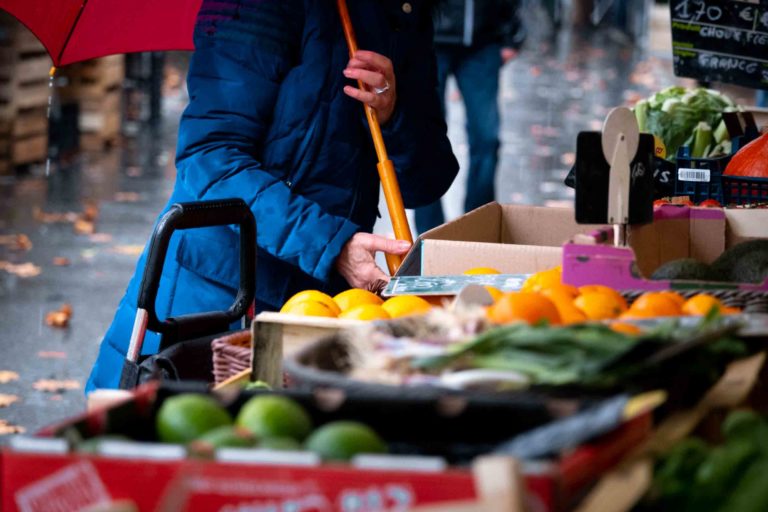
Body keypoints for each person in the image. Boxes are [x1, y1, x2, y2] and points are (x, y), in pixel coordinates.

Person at [86, 0, 459, 392]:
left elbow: (426, 184)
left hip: (323, 304)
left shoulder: (403, 13)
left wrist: (393, 116)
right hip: (217, 297)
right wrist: (334, 245)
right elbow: (209, 160)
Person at [415, 0, 525, 233]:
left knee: (487, 139)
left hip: (484, 42)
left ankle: (477, 229)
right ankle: (429, 237)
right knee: (423, 138)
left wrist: (511, 33)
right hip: (428, 39)